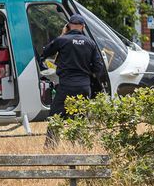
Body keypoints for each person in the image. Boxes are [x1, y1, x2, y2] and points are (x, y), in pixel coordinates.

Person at [37, 14, 108, 143]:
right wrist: (88, 75)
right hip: (84, 86)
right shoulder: (90, 43)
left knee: (55, 117)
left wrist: (62, 35)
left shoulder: (62, 40)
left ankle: (51, 146)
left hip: (66, 86)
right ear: (83, 27)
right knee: (80, 117)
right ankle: (80, 146)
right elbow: (99, 67)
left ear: (68, 26)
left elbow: (45, 52)